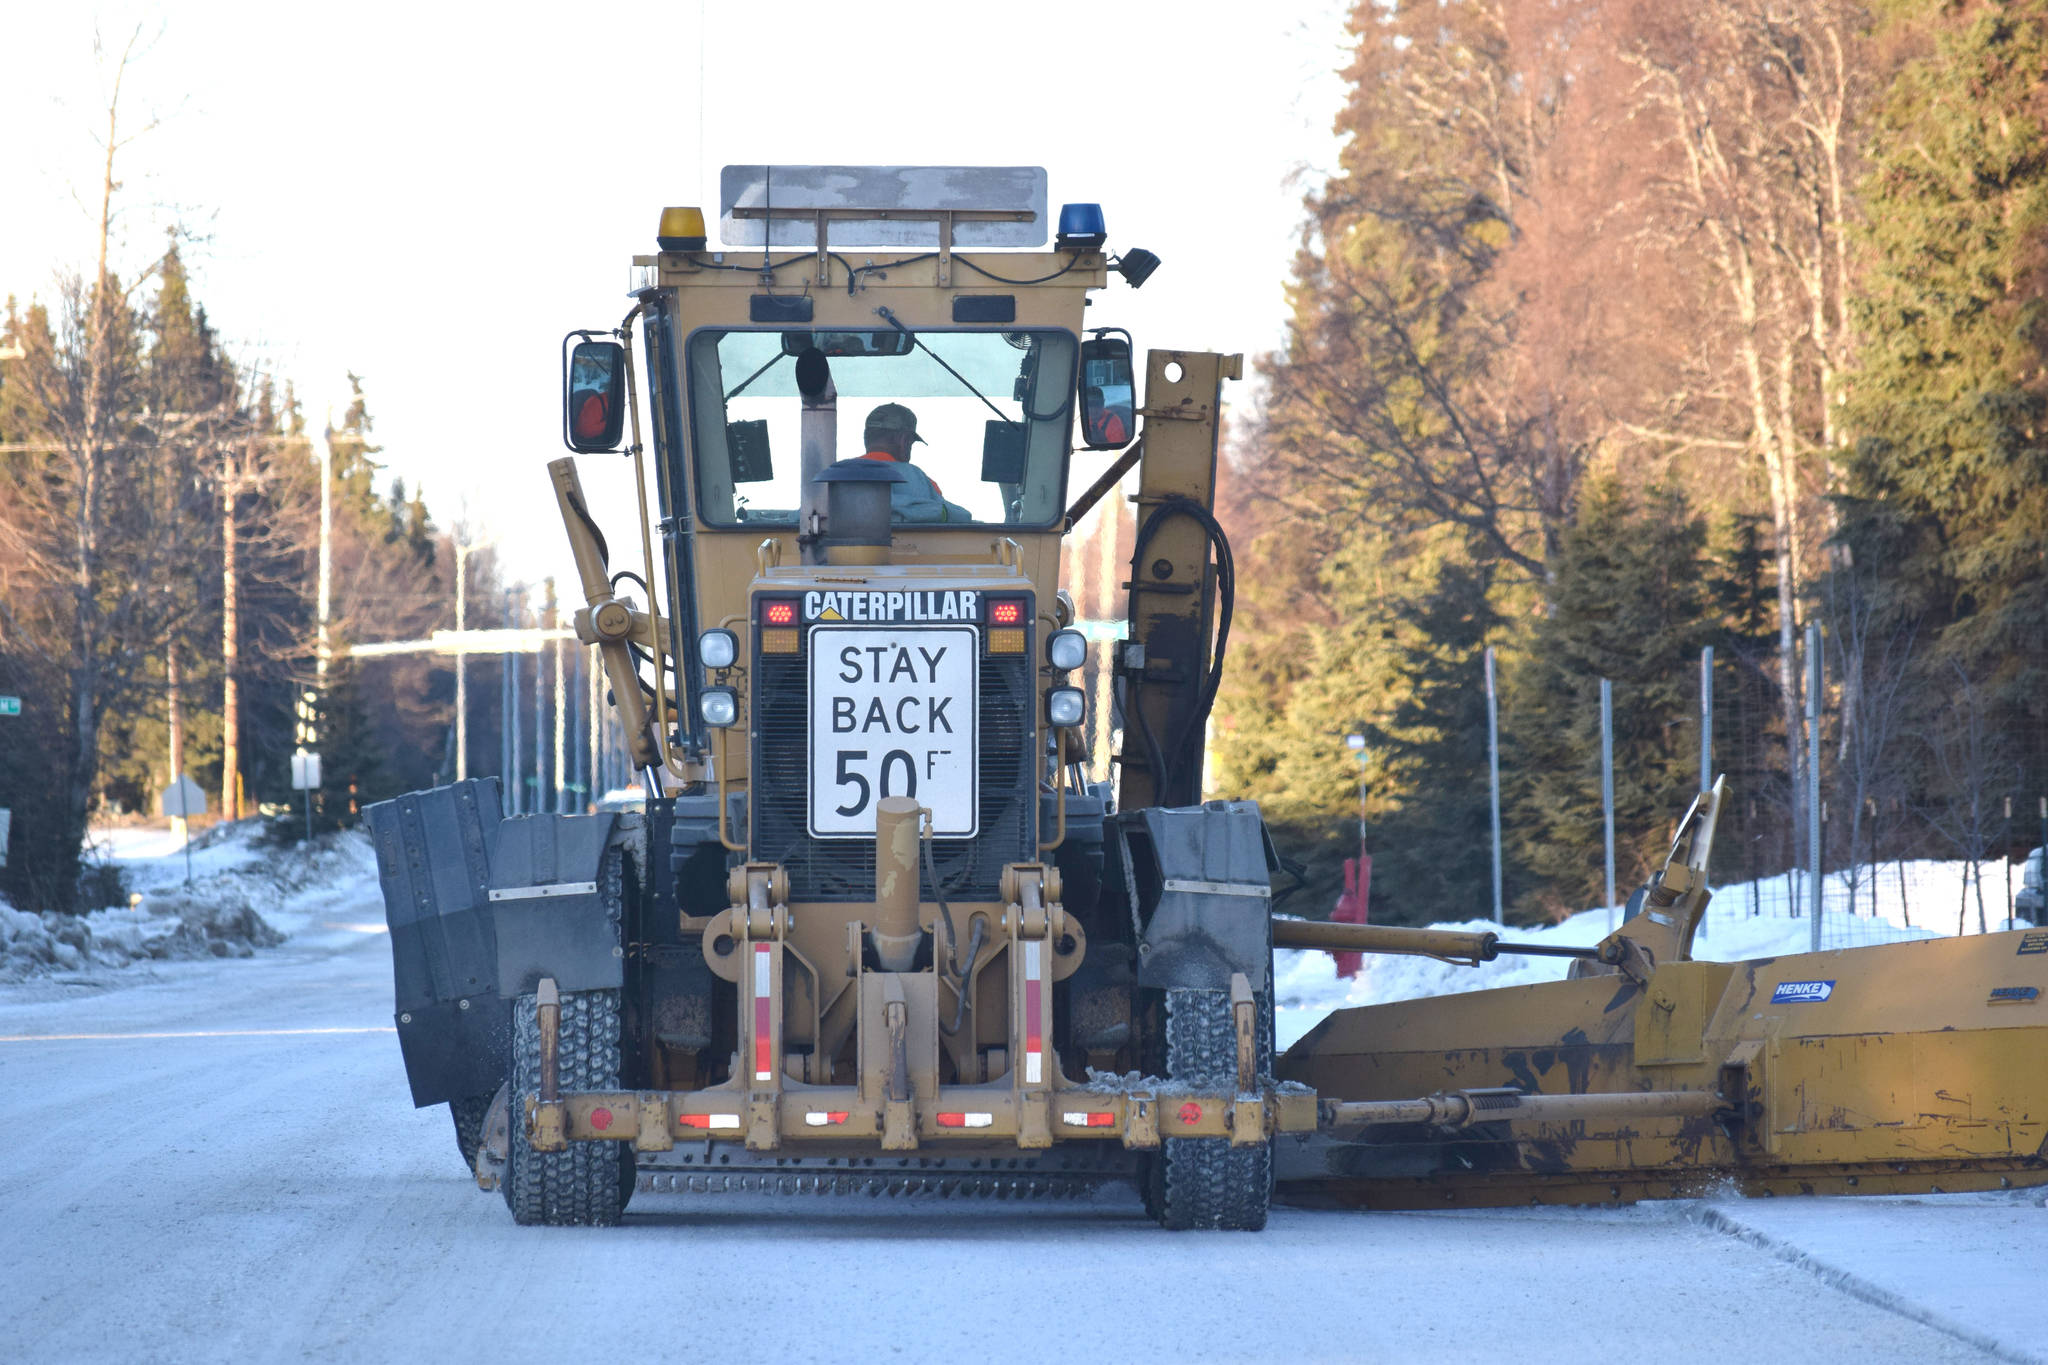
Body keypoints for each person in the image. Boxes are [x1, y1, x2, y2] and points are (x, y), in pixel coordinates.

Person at [861, 403, 971, 523]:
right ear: (904, 440)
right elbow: (955, 518)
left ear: (866, 437)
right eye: (911, 442)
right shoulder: (921, 479)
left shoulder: (839, 474)